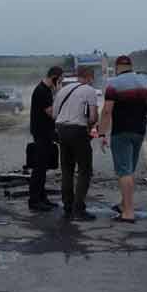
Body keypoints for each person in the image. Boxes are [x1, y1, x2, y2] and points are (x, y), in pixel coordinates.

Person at [99, 56, 147, 223]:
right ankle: (123, 204)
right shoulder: (143, 81)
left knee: (123, 172)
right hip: (139, 131)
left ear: (117, 67)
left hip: (121, 132)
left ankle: (128, 212)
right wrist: (146, 105)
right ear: (131, 66)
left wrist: (101, 134)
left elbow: (107, 111)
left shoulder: (114, 84)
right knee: (129, 170)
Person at [54, 66, 99, 221]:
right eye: (92, 77)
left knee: (67, 169)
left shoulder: (63, 90)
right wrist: (90, 127)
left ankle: (67, 205)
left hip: (61, 130)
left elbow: (55, 114)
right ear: (89, 76)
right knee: (84, 170)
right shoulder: (89, 90)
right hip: (78, 131)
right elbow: (93, 117)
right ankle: (79, 209)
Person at [28, 66, 64, 211]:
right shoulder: (42, 91)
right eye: (60, 79)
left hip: (45, 132)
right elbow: (52, 113)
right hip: (41, 133)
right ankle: (34, 200)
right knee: (39, 168)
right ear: (55, 77)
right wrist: (58, 94)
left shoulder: (45, 90)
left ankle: (42, 197)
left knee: (43, 167)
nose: (61, 81)